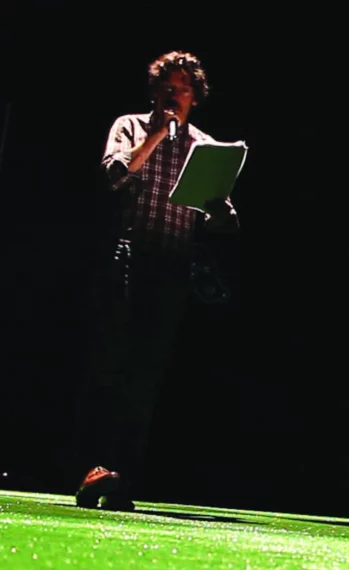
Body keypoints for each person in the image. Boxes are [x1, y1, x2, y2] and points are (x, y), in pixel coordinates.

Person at [71, 50, 240, 511]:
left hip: (172, 268)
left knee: (145, 377)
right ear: (154, 91)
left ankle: (122, 478)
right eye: (167, 86)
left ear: (195, 97)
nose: (174, 95)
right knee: (111, 364)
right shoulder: (129, 126)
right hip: (128, 258)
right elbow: (113, 175)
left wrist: (222, 211)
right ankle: (94, 468)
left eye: (183, 88)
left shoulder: (205, 145)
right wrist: (155, 136)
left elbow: (222, 221)